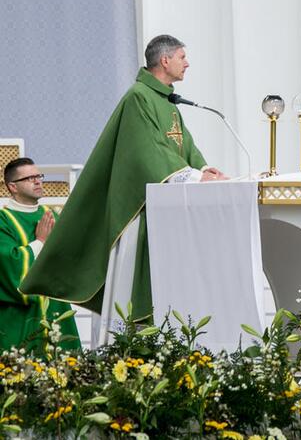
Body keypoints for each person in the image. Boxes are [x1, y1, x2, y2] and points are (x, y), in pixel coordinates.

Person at [21, 35, 227, 342]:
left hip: (165, 211)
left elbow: (182, 145)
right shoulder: (139, 97)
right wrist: (194, 178)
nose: (187, 63)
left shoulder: (167, 101)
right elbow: (147, 153)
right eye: (182, 57)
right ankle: (132, 346)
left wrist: (203, 170)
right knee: (134, 295)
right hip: (140, 211)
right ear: (165, 60)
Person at [1, 158, 79, 351]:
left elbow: (68, 257)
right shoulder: (4, 221)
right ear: (13, 186)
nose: (37, 181)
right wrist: (40, 242)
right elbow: (8, 263)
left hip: (55, 308)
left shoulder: (51, 215)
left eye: (38, 176)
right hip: (21, 315)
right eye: (29, 178)